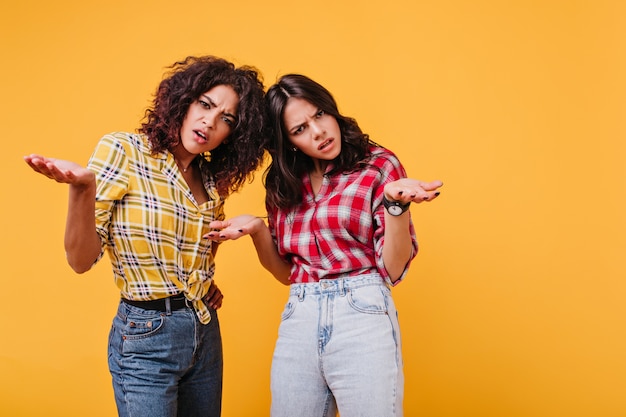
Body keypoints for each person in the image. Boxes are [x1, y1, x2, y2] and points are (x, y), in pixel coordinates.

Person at [23, 55, 267, 417]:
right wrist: (82, 189)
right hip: (146, 336)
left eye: (226, 119)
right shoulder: (125, 151)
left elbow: (200, 253)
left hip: (204, 334)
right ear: (184, 100)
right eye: (205, 104)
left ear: (234, 134)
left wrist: (198, 287)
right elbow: (80, 260)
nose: (209, 122)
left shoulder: (212, 182)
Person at [207, 73, 443, 417]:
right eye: (299, 129)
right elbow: (288, 274)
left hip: (363, 312)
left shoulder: (377, 164)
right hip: (300, 313)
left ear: (331, 110)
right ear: (287, 140)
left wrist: (396, 206)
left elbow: (391, 269)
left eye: (319, 114)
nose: (317, 132)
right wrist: (258, 231)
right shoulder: (283, 181)